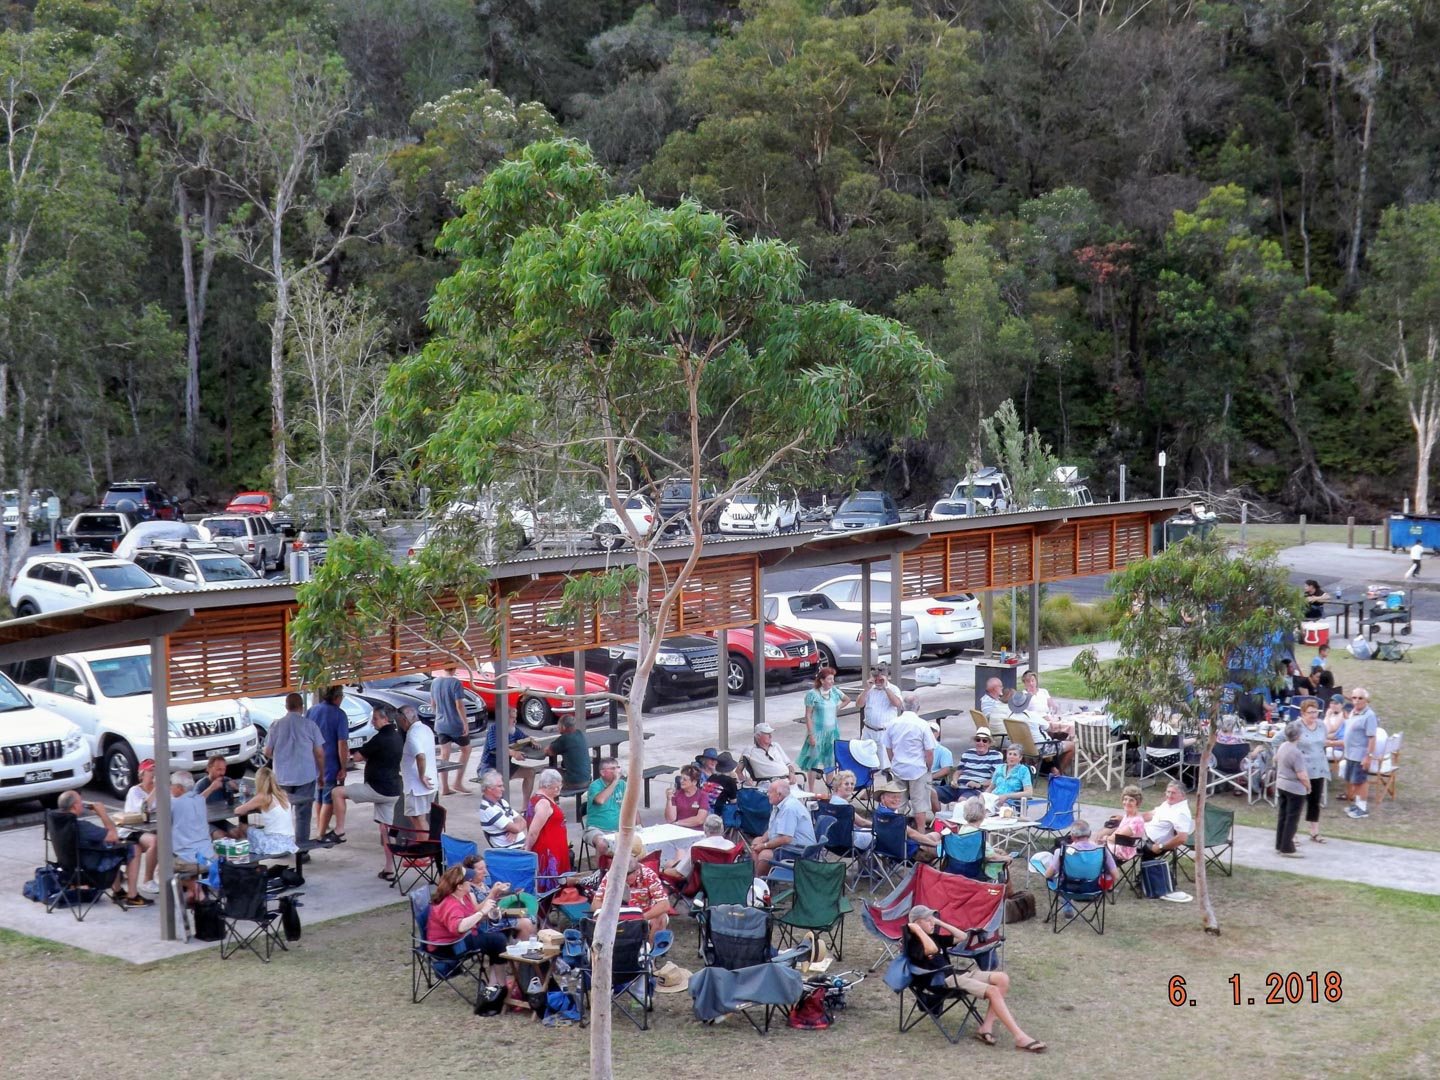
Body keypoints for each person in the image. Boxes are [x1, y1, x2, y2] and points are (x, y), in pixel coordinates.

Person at [904, 904, 1046, 1053]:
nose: (932, 923)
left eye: (932, 919)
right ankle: (1020, 1037)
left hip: (957, 975)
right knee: (993, 991)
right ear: (917, 924)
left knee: (1002, 978)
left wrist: (938, 922)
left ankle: (986, 1027)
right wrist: (917, 930)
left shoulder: (934, 937)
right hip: (943, 981)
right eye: (928, 920)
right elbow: (931, 950)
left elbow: (962, 937)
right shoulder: (913, 943)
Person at [331, 704, 405, 880]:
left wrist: (349, 754)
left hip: (376, 789)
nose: (372, 723)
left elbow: (357, 757)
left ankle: (339, 830)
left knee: (337, 793)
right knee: (385, 829)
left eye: (375, 719)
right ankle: (390, 869)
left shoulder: (381, 738)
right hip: (393, 791)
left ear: (385, 719)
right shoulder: (397, 736)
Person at [54, 790, 151, 908]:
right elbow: (113, 836)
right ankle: (132, 896)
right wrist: (103, 814)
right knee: (133, 848)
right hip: (91, 871)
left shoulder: (57, 823)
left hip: (68, 869)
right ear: (75, 806)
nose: (82, 804)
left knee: (110, 847)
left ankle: (118, 892)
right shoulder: (82, 826)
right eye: (81, 802)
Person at [264, 692, 324, 850]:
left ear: (286, 706)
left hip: (282, 777)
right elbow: (319, 753)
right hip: (305, 776)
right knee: (303, 815)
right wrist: (322, 774)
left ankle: (282, 847)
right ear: (301, 707)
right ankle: (302, 850)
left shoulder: (276, 725)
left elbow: (267, 752)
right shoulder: (310, 725)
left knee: (282, 814)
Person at [426, 865, 514, 964]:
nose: (471, 881)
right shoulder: (450, 904)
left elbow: (471, 917)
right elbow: (459, 927)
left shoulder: (465, 896)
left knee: (501, 934)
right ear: (459, 886)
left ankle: (496, 978)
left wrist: (489, 915)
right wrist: (482, 913)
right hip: (448, 947)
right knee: (498, 940)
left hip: (462, 937)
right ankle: (499, 979)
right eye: (468, 880)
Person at [591, 833, 670, 939]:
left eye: (628, 875)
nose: (625, 878)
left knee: (661, 918)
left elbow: (664, 904)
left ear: (637, 871)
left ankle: (650, 953)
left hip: (644, 914)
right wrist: (614, 914)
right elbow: (595, 904)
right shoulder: (612, 875)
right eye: (622, 875)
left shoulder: (648, 875)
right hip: (618, 915)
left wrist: (640, 917)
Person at [880, 708, 936, 827]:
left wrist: (893, 762)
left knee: (897, 803)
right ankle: (921, 836)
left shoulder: (893, 723)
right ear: (918, 708)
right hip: (918, 769)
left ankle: (895, 833)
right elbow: (929, 751)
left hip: (899, 768)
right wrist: (929, 767)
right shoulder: (923, 724)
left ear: (903, 707)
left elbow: (888, 748)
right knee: (919, 805)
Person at [748, 778, 816, 875]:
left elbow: (786, 839)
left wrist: (764, 845)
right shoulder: (780, 804)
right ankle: (757, 879)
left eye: (770, 792)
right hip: (790, 845)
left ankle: (760, 880)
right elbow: (772, 828)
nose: (767, 795)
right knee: (756, 841)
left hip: (799, 851)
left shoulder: (789, 808)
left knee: (764, 855)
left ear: (779, 795)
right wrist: (762, 840)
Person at [308, 686, 350, 843]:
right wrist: (343, 767)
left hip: (313, 762)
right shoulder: (339, 715)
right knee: (328, 799)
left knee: (318, 797)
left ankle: (321, 827)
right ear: (337, 698)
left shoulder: (312, 711)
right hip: (330, 763)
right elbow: (342, 743)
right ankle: (320, 834)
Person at [170, 771, 219, 902]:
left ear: (179, 788)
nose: (170, 788)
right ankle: (192, 895)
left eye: (171, 785)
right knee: (187, 851)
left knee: (162, 868)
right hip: (209, 857)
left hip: (190, 861)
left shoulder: (173, 804)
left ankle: (196, 890)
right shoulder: (200, 800)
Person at [798, 667, 850, 788]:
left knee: (830, 760)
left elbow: (846, 699)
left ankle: (830, 788)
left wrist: (838, 707)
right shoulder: (812, 694)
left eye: (833, 679)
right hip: (817, 732)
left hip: (832, 732)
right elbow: (808, 715)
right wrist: (811, 734)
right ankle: (811, 790)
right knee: (813, 760)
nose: (832, 681)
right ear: (822, 680)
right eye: (829, 679)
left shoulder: (834, 691)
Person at [1005, 691, 1075, 774]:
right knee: (1072, 745)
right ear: (1026, 703)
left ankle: (1050, 768)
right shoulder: (1032, 716)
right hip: (1040, 748)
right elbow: (1048, 727)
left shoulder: (1009, 717)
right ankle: (1059, 773)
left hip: (1022, 747)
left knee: (1052, 740)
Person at [235, 766, 297, 858]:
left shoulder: (262, 797)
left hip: (273, 844)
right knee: (254, 828)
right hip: (289, 841)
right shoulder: (283, 793)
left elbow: (238, 811)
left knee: (242, 827)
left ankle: (246, 860)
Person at [525, 768, 572, 886]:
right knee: (552, 883)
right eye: (555, 787)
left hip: (556, 848)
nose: (558, 790)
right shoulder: (544, 803)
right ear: (546, 786)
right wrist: (527, 849)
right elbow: (533, 832)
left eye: (559, 787)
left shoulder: (538, 799)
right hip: (548, 851)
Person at [430, 665, 472, 795]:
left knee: (444, 754)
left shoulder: (435, 682)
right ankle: (458, 782)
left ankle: (445, 787)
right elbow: (459, 705)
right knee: (466, 749)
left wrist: (438, 715)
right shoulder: (455, 683)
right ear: (454, 669)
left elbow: (433, 703)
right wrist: (465, 723)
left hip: (440, 723)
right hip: (454, 723)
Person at [121, 759, 160, 893]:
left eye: (155, 770)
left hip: (151, 828)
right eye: (150, 770)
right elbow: (143, 809)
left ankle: (161, 873)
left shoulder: (161, 791)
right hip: (132, 829)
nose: (153, 773)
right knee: (155, 841)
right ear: (142, 774)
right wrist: (155, 789)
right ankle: (147, 880)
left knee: (173, 836)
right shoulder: (135, 791)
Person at [1273, 720, 1311, 858]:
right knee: (1292, 818)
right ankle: (1287, 847)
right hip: (1294, 788)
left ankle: (1279, 844)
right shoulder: (1296, 753)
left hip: (1281, 784)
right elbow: (1301, 774)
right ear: (1299, 736)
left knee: (1283, 816)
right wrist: (1308, 785)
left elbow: (1276, 759)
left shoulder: (1283, 746)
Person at [398, 704, 438, 831]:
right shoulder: (426, 729)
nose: (399, 725)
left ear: (405, 720)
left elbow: (420, 756)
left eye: (399, 721)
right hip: (429, 782)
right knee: (420, 818)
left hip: (417, 787)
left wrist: (421, 776)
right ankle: (426, 845)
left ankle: (425, 846)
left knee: (418, 819)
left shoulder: (412, 735)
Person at [662, 814, 735, 881]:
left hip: (700, 887)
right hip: (723, 883)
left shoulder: (698, 847)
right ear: (722, 829)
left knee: (671, 862)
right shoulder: (731, 846)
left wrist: (661, 871)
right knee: (679, 854)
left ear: (705, 829)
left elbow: (679, 874)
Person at [1342, 688, 1378, 819]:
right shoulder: (1353, 712)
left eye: (1360, 698)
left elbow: (1372, 737)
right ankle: (1357, 805)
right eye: (1354, 697)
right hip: (1350, 753)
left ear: (1366, 700)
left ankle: (1362, 808)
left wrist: (1368, 756)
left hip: (1360, 754)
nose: (1356, 701)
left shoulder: (1369, 716)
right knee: (1354, 780)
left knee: (1361, 781)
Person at [856, 664, 902, 764]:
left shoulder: (893, 689)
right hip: (868, 730)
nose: (877, 682)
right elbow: (859, 704)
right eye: (875, 679)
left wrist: (886, 688)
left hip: (883, 732)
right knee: (864, 761)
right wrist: (866, 689)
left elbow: (898, 704)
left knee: (884, 764)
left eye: (880, 679)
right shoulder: (870, 689)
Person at [583, 757, 625, 861]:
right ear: (602, 772)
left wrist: (638, 826)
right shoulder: (595, 786)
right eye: (612, 768)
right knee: (602, 844)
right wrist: (615, 781)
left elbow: (631, 806)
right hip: (597, 829)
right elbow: (600, 800)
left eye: (617, 767)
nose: (616, 771)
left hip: (618, 829)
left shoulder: (622, 785)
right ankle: (600, 874)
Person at [476, 769, 527, 849]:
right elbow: (516, 827)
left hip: (520, 848)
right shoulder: (488, 810)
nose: (503, 789)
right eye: (499, 786)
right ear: (489, 788)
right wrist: (515, 829)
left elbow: (523, 821)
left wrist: (515, 831)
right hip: (510, 852)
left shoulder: (502, 802)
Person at [1095, 785, 1146, 864]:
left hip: (1121, 852)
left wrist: (1106, 838)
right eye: (1125, 799)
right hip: (1118, 847)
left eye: (1131, 800)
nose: (1127, 802)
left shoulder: (1136, 821)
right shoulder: (1128, 816)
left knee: (1091, 850)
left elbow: (1115, 838)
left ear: (1137, 803)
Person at [198, 755, 242, 839]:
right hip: (204, 822)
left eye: (224, 769)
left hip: (220, 820)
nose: (222, 773)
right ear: (209, 768)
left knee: (238, 834)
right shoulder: (201, 784)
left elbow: (247, 793)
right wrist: (211, 788)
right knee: (223, 837)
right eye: (219, 769)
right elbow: (193, 803)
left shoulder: (226, 780)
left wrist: (238, 788)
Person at [546, 714, 590, 791]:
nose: (557, 728)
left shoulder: (564, 739)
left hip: (574, 782)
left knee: (546, 772)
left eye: (558, 725)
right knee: (559, 770)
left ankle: (551, 799)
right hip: (587, 779)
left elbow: (549, 751)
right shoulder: (579, 734)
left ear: (563, 727)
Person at [955, 727, 1004, 798]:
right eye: (978, 740)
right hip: (958, 787)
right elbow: (958, 772)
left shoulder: (995, 756)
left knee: (962, 800)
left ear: (989, 743)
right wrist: (954, 781)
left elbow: (996, 779)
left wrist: (979, 784)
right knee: (933, 793)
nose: (981, 742)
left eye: (984, 740)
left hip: (975, 789)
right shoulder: (968, 753)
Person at [986, 744, 1034, 808]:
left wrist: (1007, 796)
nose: (1011, 757)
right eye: (1010, 754)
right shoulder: (999, 768)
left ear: (1020, 757)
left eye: (1015, 754)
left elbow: (1029, 793)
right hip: (994, 799)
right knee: (976, 801)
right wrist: (984, 796)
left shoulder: (1023, 770)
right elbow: (991, 787)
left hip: (1009, 802)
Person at [666, 764, 712, 829]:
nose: (681, 781)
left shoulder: (703, 796)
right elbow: (670, 819)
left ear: (694, 782)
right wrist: (669, 799)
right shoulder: (676, 794)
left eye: (684, 779)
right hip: (678, 829)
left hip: (696, 831)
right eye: (681, 778)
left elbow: (700, 819)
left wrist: (678, 823)